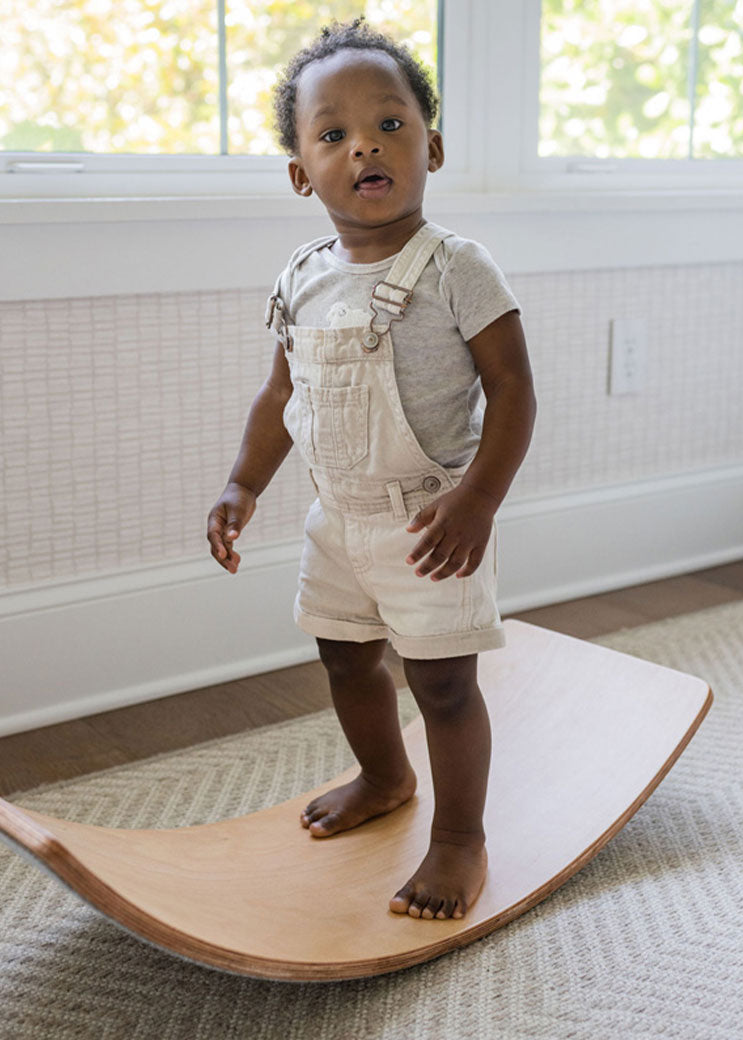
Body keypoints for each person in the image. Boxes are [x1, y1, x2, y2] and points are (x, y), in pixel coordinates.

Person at [206, 18, 536, 922]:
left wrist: (479, 500)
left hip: (433, 523)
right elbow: (281, 392)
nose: (365, 146)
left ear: (433, 146)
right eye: (334, 133)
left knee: (444, 685)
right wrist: (243, 484)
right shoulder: (303, 276)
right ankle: (386, 777)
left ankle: (460, 838)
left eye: (390, 124)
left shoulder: (458, 268)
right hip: (336, 519)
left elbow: (513, 389)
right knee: (345, 660)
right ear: (300, 173)